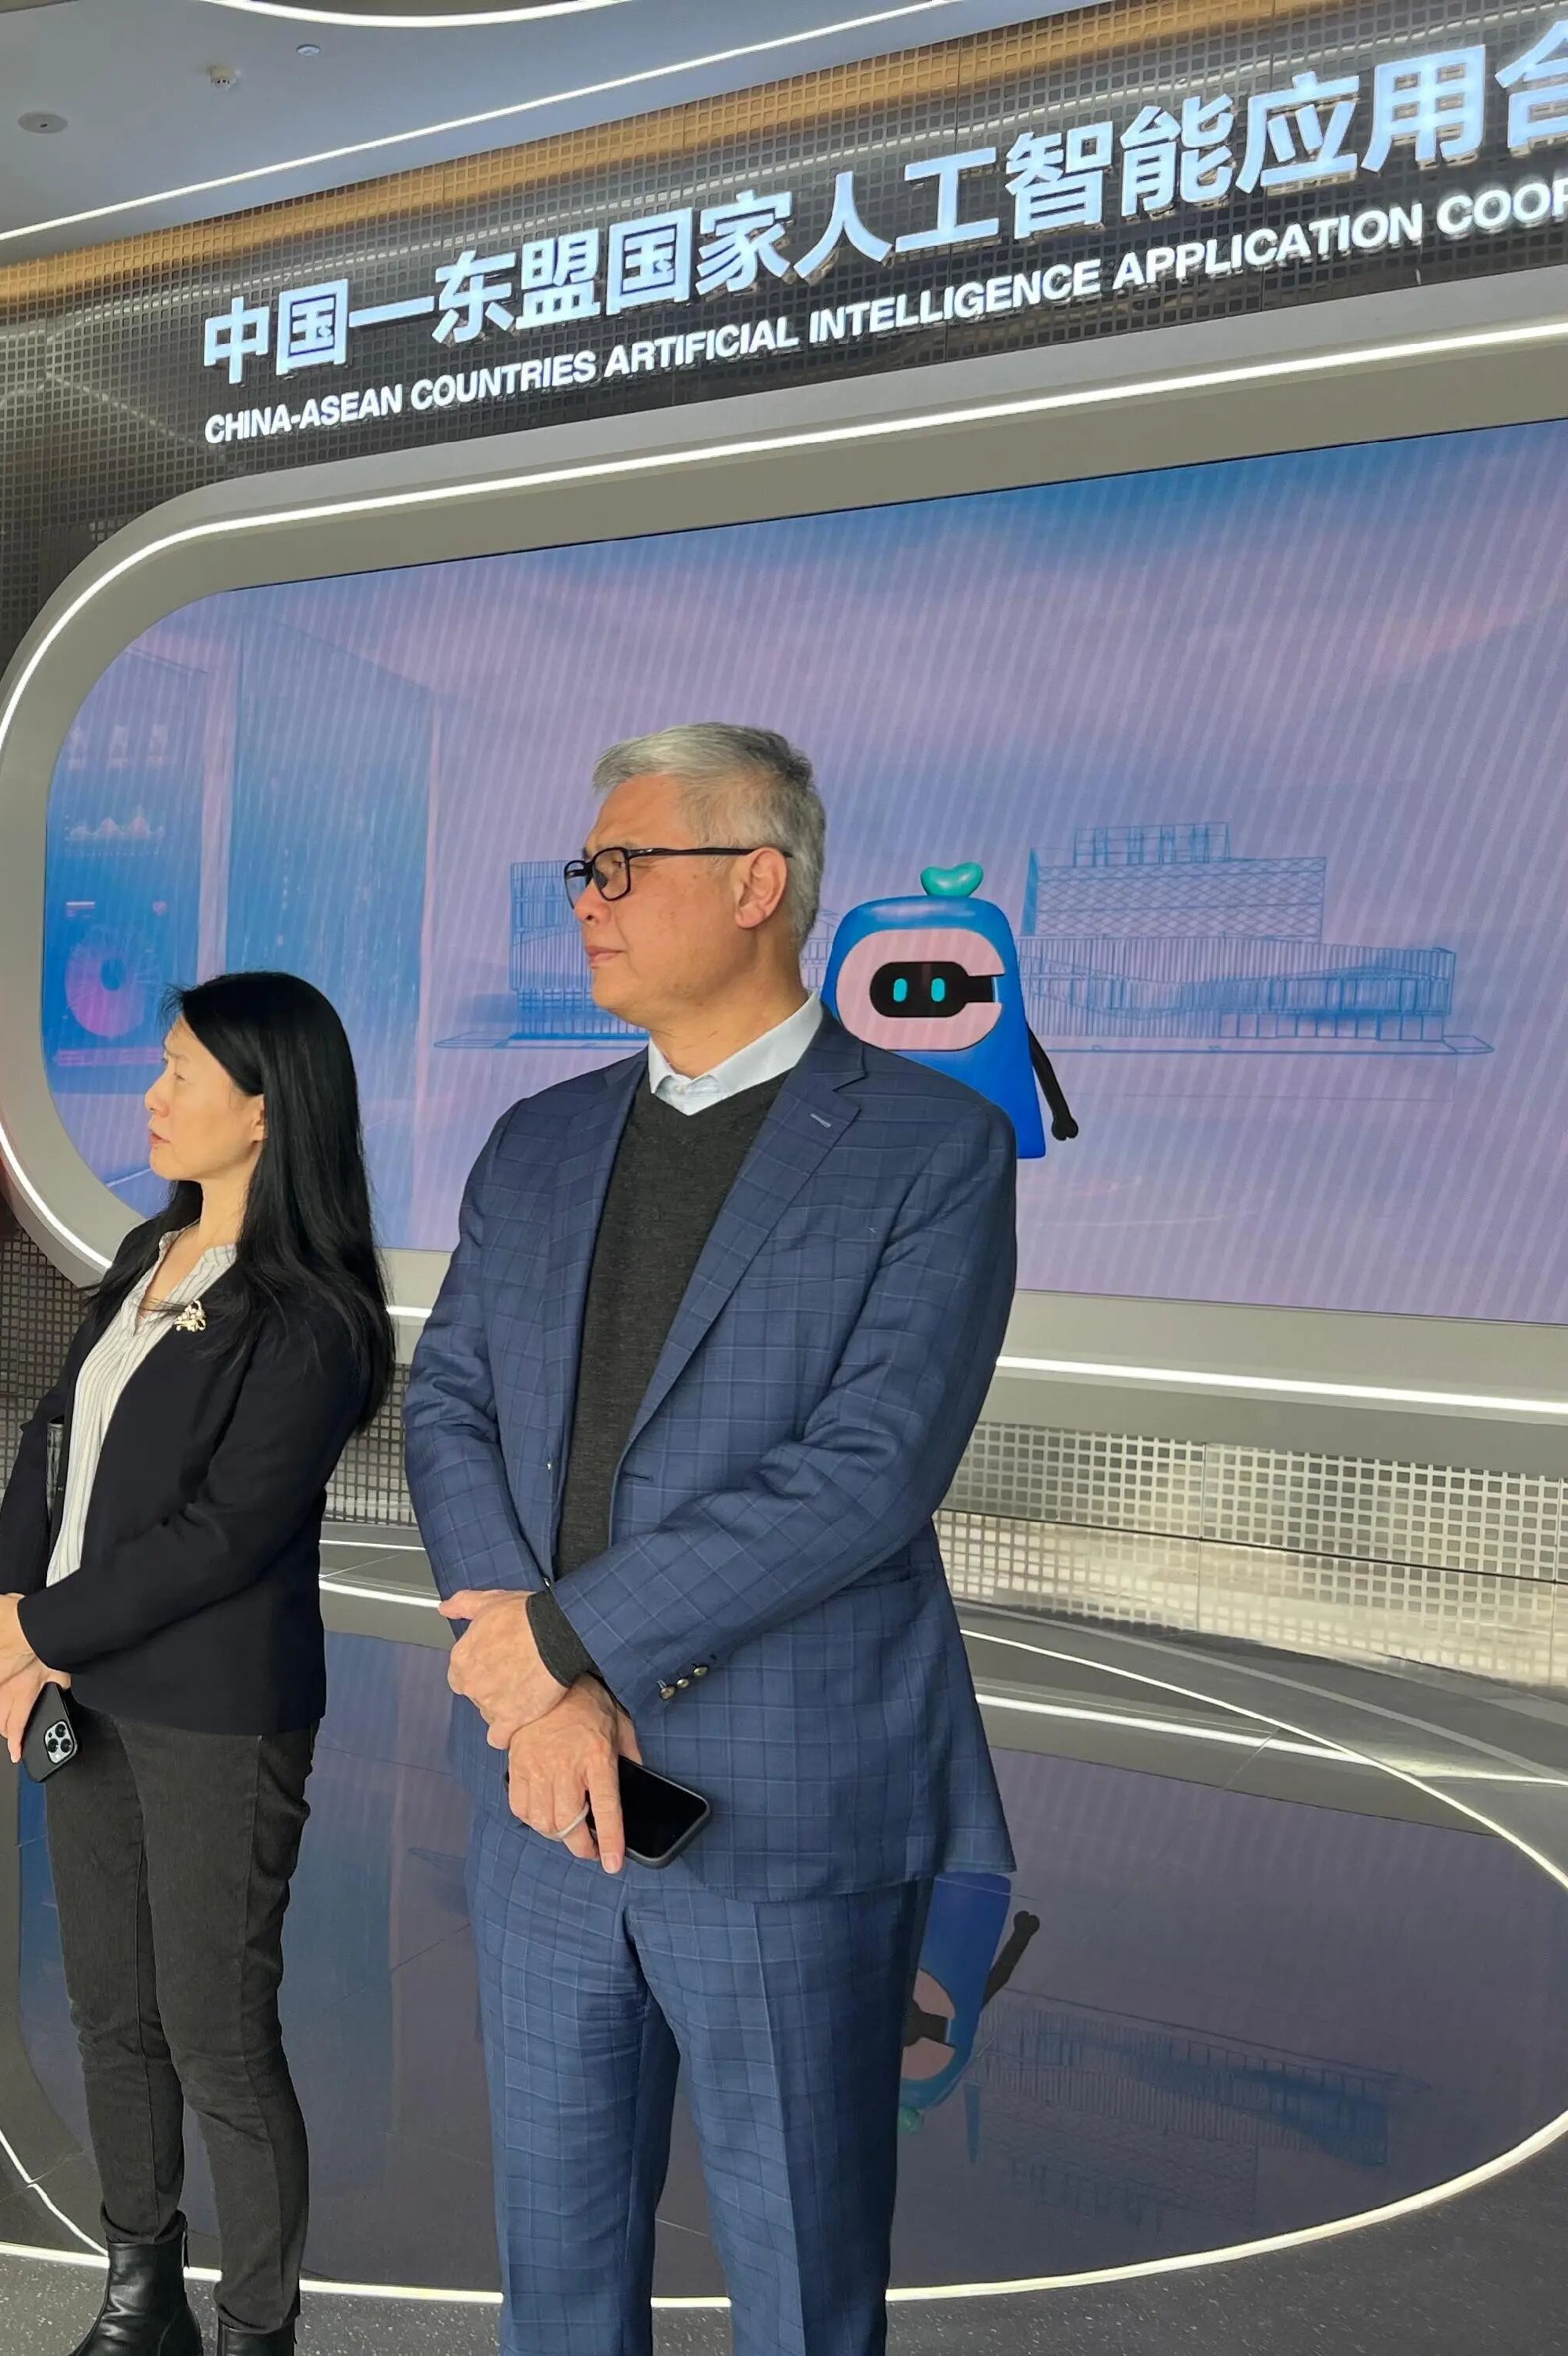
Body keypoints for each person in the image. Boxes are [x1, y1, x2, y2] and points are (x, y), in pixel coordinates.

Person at [405, 724, 1017, 2356]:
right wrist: (538, 1689)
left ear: (757, 884)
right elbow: (447, 1403)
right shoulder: (536, 1141)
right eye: (582, 869)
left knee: (800, 2287)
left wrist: (556, 1642)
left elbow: (867, 1475)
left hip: (784, 1813)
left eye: (622, 865)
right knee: (557, 2279)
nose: (586, 899)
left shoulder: (928, 1148)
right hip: (543, 1801)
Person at [0, 973, 392, 2356]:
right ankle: (139, 2291)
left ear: (266, 1112)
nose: (150, 1097)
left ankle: (257, 2327)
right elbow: (52, 1442)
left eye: (179, 1075)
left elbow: (224, 1536)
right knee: (110, 2013)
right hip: (82, 1688)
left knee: (216, 2032)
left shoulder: (314, 1316)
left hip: (215, 1711)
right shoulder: (143, 1255)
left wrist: (41, 1631)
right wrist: (10, 1613)